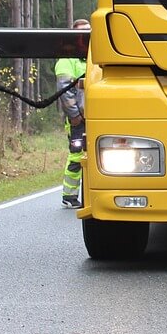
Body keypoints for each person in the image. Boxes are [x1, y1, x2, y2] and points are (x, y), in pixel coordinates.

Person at [55, 18, 91, 207]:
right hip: (79, 118)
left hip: (97, 115)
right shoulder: (67, 60)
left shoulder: (94, 56)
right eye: (82, 33)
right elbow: (64, 88)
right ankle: (69, 195)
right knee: (77, 155)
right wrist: (74, 115)